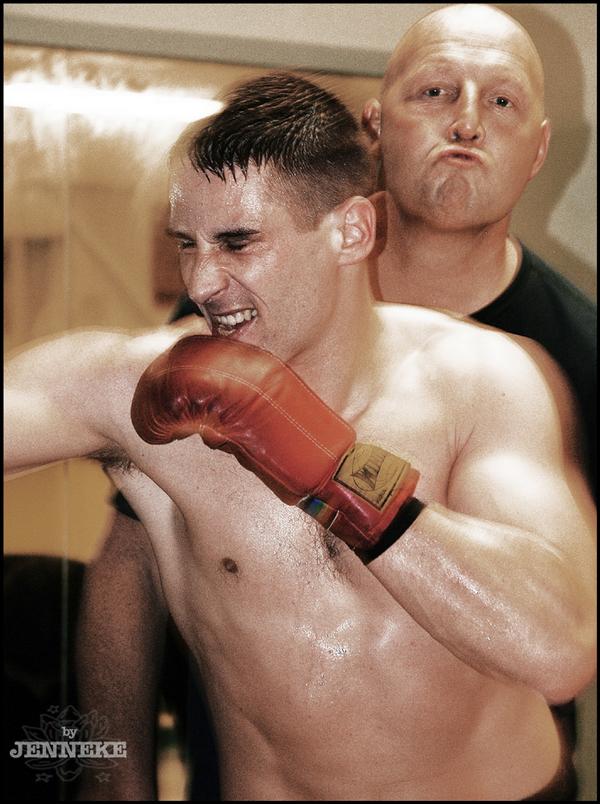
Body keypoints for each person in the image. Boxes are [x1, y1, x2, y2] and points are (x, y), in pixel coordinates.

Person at [5, 71, 596, 801]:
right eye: (187, 243)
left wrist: (332, 469)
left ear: (351, 231)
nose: (202, 282)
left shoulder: (481, 381)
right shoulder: (136, 385)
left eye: (238, 242)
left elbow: (559, 650)